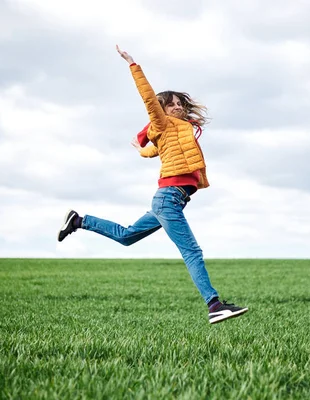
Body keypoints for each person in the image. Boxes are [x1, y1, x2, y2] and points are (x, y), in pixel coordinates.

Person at [57, 45, 248, 324]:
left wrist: (140, 149)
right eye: (171, 104)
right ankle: (214, 305)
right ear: (161, 109)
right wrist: (133, 65)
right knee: (192, 251)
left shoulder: (175, 132)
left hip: (168, 199)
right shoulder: (161, 122)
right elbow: (148, 98)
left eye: (180, 103)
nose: (178, 107)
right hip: (168, 198)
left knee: (126, 236)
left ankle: (79, 221)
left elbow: (152, 152)